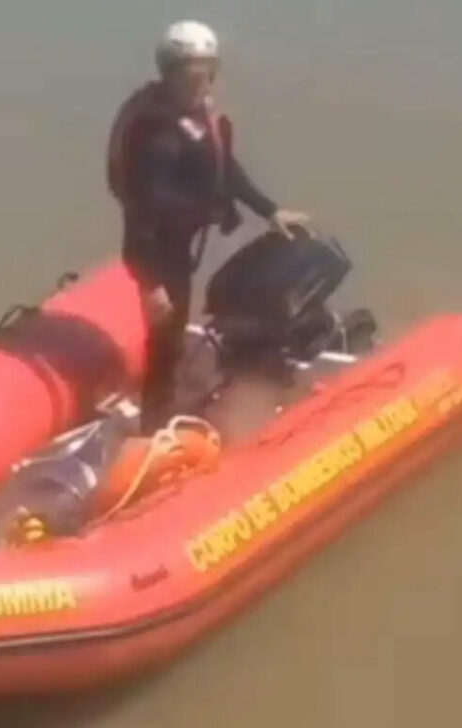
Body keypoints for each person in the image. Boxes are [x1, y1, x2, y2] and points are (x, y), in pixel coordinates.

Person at [107, 20, 311, 432]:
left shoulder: (196, 116)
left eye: (207, 70)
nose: (202, 80)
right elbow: (142, 210)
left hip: (179, 243)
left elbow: (224, 168)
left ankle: (164, 405)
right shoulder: (157, 136)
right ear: (171, 72)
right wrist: (150, 285)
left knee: (176, 328)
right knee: (165, 338)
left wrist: (269, 210)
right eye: (191, 72)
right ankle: (154, 428)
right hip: (156, 250)